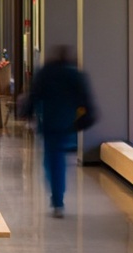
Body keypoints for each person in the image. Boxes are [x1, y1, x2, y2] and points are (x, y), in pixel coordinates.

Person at [26, 46, 95, 218]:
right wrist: (82, 121)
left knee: (52, 160)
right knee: (58, 160)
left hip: (49, 122)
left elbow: (34, 95)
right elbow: (86, 101)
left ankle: (57, 199)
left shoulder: (46, 72)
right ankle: (58, 199)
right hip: (67, 123)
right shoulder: (75, 75)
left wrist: (28, 113)